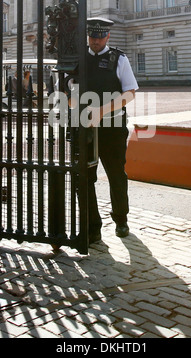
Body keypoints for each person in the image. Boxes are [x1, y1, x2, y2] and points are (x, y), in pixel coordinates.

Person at [85, 17, 138, 244]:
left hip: (113, 128)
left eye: (99, 37)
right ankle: (92, 227)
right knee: (85, 178)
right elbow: (65, 91)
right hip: (85, 128)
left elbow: (130, 92)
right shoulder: (77, 58)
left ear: (107, 37)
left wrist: (102, 110)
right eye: (92, 37)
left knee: (116, 174)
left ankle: (121, 219)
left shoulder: (119, 58)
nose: (95, 41)